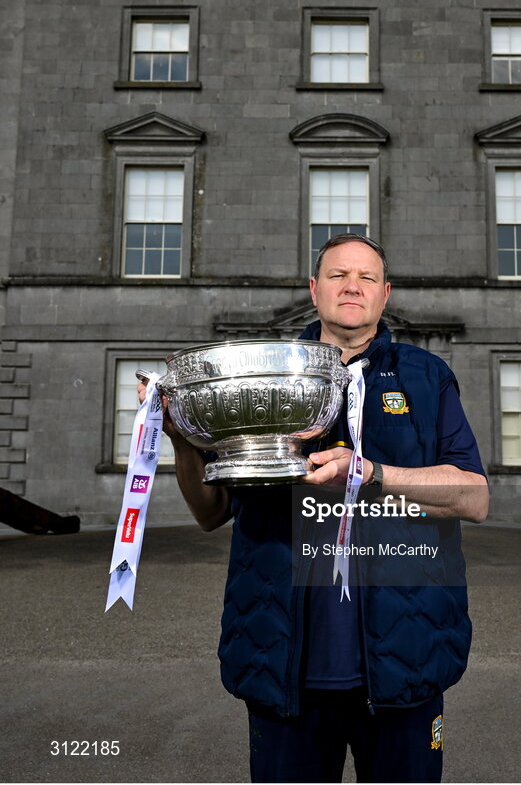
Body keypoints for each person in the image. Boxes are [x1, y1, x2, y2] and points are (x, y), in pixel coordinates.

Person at [141, 234, 488, 783]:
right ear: (313, 288)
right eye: (337, 275)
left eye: (367, 277)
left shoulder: (428, 378)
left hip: (405, 657)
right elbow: (210, 512)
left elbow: (473, 495)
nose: (352, 286)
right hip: (283, 662)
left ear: (385, 293)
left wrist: (373, 473)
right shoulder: (264, 378)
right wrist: (183, 439)